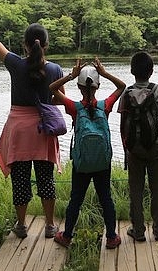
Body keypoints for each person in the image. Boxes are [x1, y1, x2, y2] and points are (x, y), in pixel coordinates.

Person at [0, 0, 63, 240]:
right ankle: (49, 226)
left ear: (25, 45)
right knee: (46, 178)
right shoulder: (56, 69)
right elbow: (59, 101)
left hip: (18, 131)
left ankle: (21, 226)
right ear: (45, 44)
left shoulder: (16, 64)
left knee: (20, 180)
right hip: (43, 130)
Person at [49, 58, 126, 249]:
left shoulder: (75, 108)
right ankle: (111, 237)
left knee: (76, 198)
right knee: (105, 197)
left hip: (82, 163)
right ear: (98, 85)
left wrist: (70, 75)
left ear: (79, 86)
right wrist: (106, 73)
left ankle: (66, 236)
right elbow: (122, 86)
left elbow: (51, 88)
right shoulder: (105, 105)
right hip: (102, 162)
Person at [118, 51, 158, 242]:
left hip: (134, 148)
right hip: (155, 146)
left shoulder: (126, 93)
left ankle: (137, 231)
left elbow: (123, 122)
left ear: (131, 71)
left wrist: (126, 147)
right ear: (151, 71)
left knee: (135, 190)